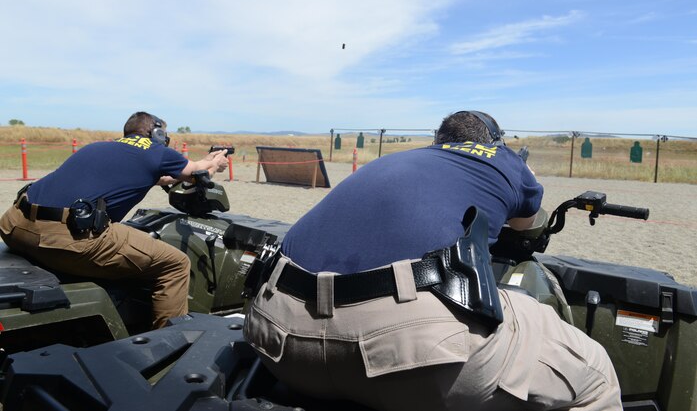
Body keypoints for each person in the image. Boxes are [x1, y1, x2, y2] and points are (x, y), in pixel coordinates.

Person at [244, 111, 621, 411]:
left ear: (440, 140)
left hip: (277, 335)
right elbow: (528, 223)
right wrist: (523, 175)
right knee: (596, 375)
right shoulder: (503, 159)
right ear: (495, 141)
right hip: (405, 354)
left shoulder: (400, 160)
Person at [0, 112, 229, 329]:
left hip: (14, 226)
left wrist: (205, 161)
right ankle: (171, 341)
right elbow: (197, 172)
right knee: (176, 264)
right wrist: (215, 163)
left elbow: (152, 174)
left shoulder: (100, 146)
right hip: (63, 239)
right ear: (157, 135)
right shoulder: (158, 151)